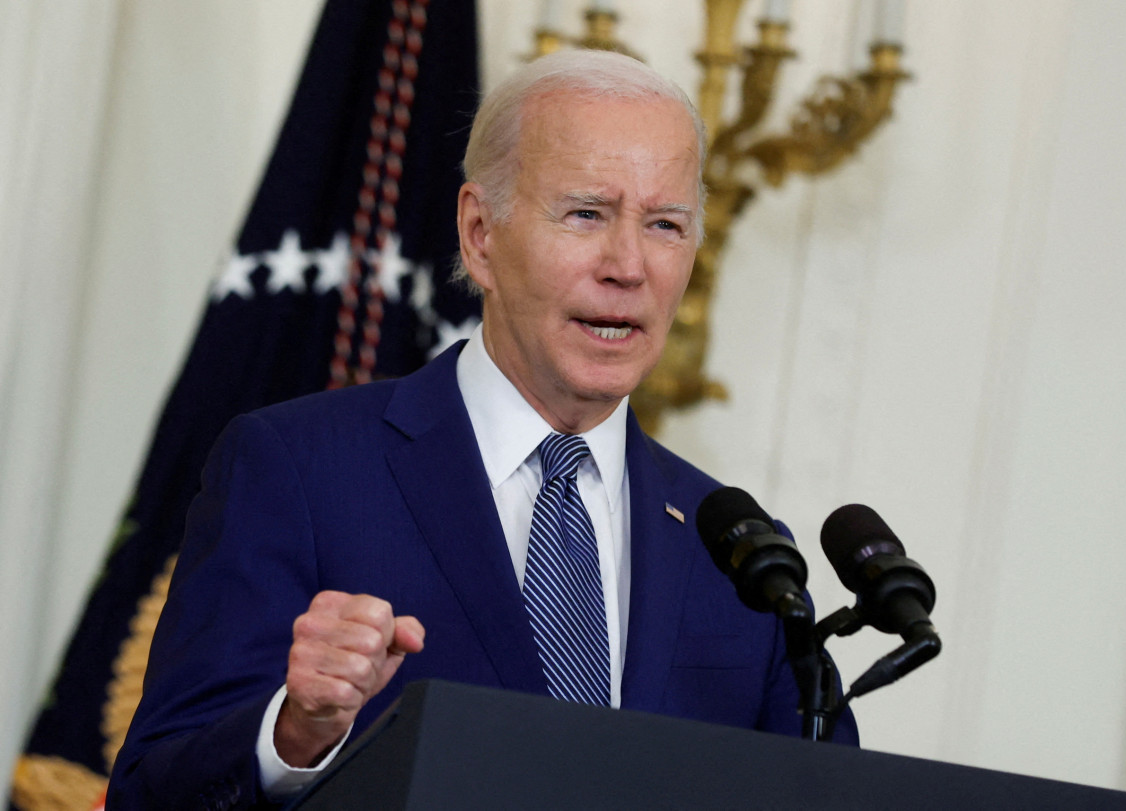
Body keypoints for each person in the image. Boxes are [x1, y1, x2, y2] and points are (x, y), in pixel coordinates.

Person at [109, 48, 857, 808]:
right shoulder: (298, 470)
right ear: (480, 234)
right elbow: (151, 793)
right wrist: (295, 731)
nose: (628, 265)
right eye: (587, 213)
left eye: (665, 224)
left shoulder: (740, 556)